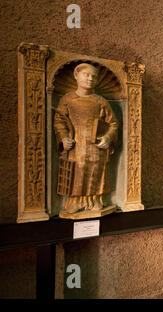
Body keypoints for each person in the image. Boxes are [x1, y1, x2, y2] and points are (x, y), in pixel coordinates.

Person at [54, 63, 118, 216]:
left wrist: (108, 138)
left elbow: (113, 124)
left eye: (94, 76)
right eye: (86, 75)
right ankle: (76, 202)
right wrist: (64, 138)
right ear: (76, 75)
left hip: (96, 146)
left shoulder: (100, 101)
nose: (90, 79)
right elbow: (59, 120)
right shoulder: (68, 99)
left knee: (96, 172)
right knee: (77, 171)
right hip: (76, 145)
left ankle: (94, 200)